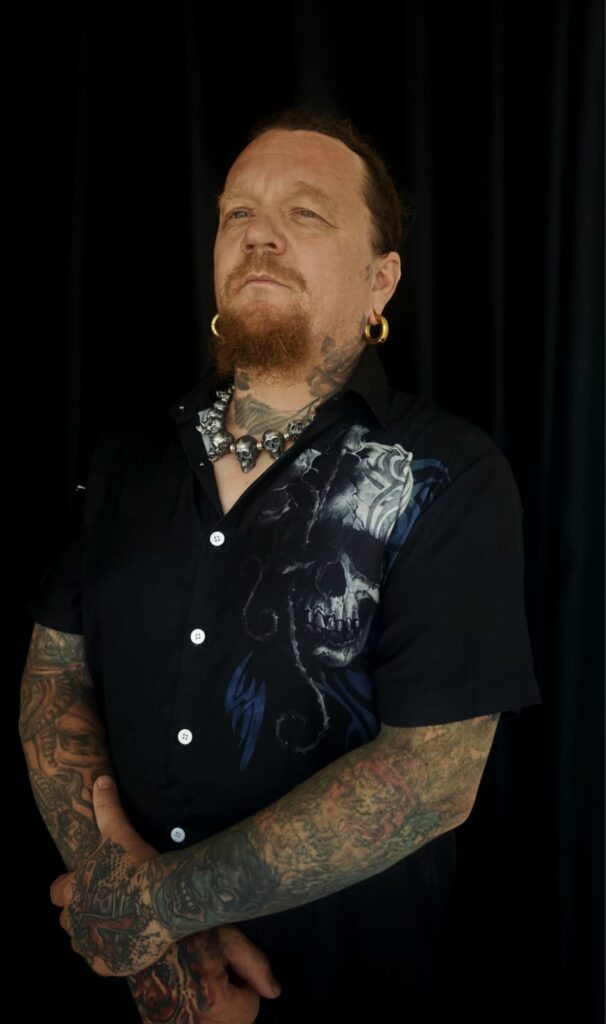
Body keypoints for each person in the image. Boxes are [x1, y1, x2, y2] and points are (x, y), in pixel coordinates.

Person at [20, 108, 542, 1024]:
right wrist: (151, 942)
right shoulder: (130, 454)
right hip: (127, 984)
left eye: (305, 213)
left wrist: (160, 908)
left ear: (381, 280)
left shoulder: (448, 474)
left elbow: (432, 780)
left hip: (333, 989)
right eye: (238, 213)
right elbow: (54, 679)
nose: (259, 234)